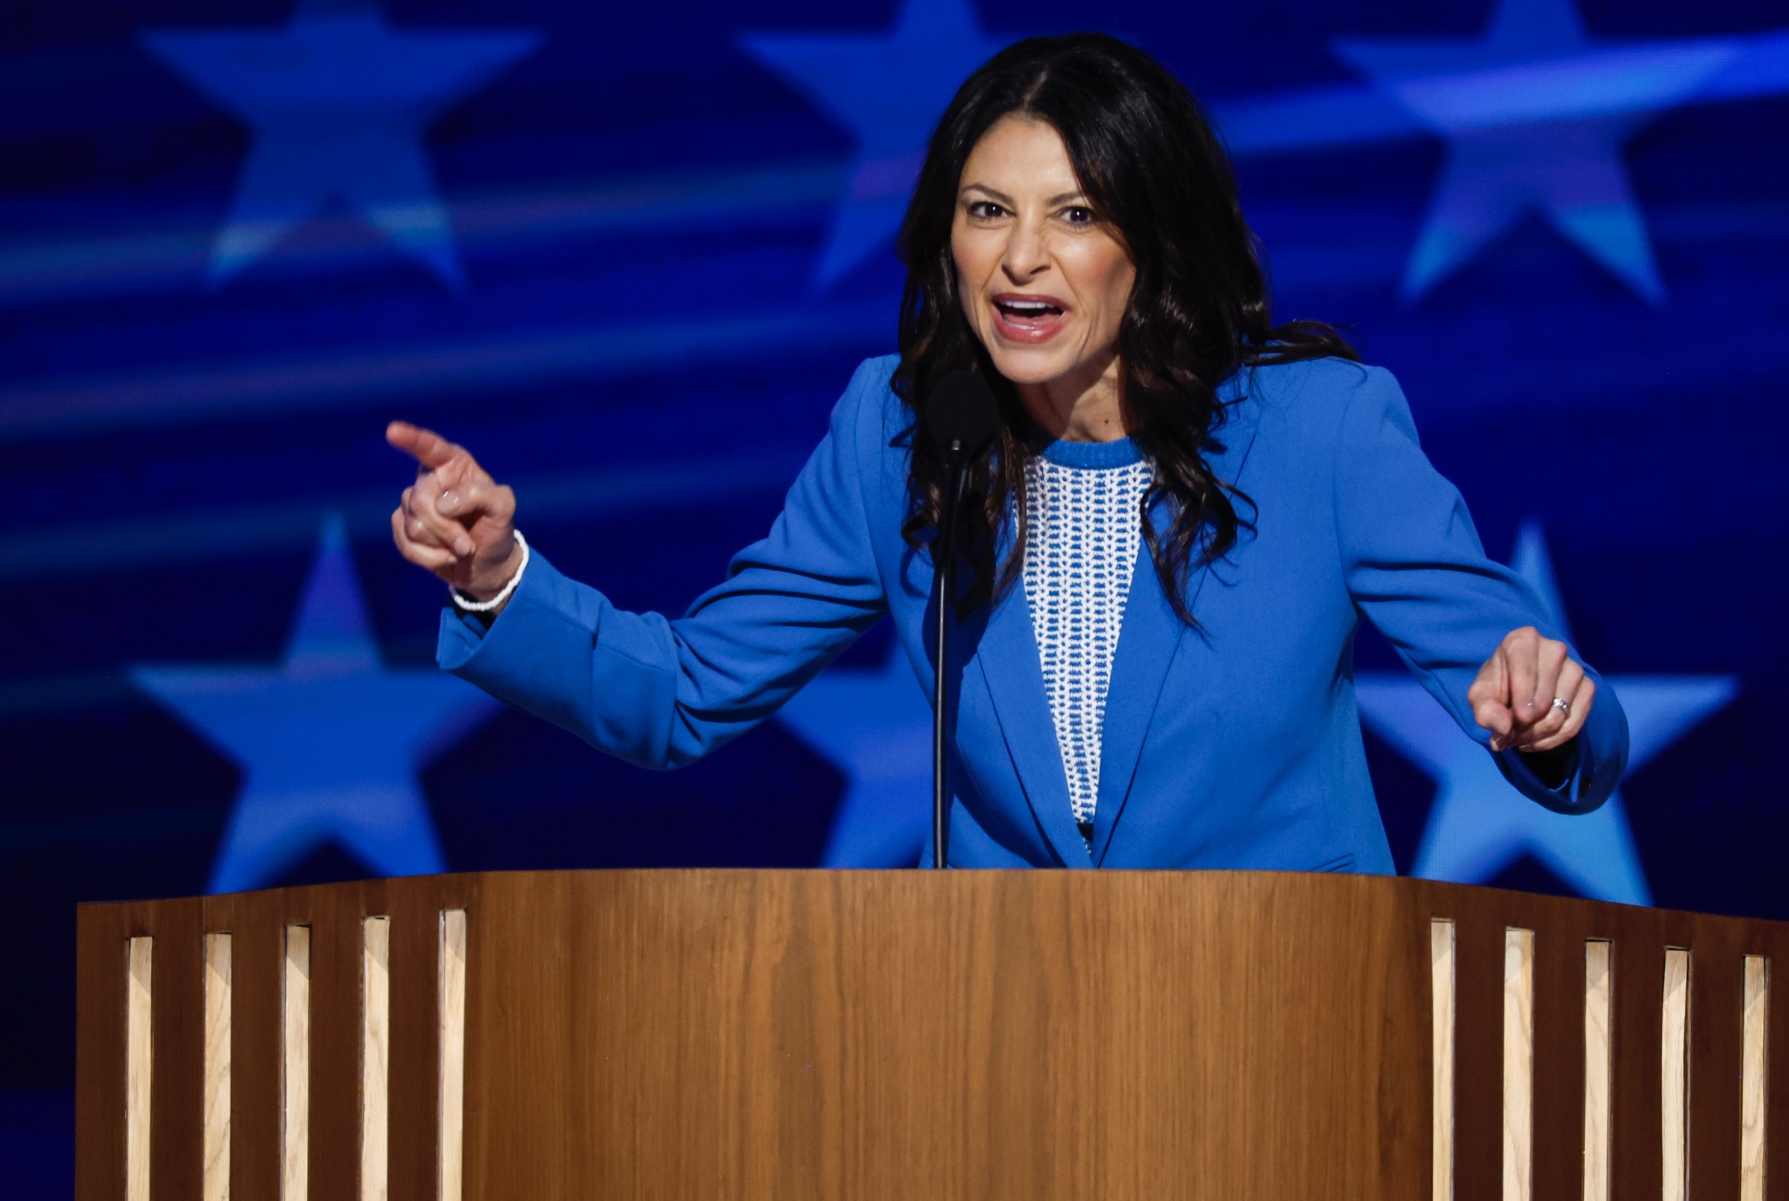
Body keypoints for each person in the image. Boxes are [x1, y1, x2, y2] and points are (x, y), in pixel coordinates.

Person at [387, 34, 1629, 871]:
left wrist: (1549, 719)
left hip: (1291, 1046)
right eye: (989, 212)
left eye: (1075, 214)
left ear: (1153, 243)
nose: (1021, 258)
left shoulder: (1321, 430)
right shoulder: (900, 431)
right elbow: (684, 691)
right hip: (1006, 1065)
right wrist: (494, 576)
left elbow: (1572, 732)